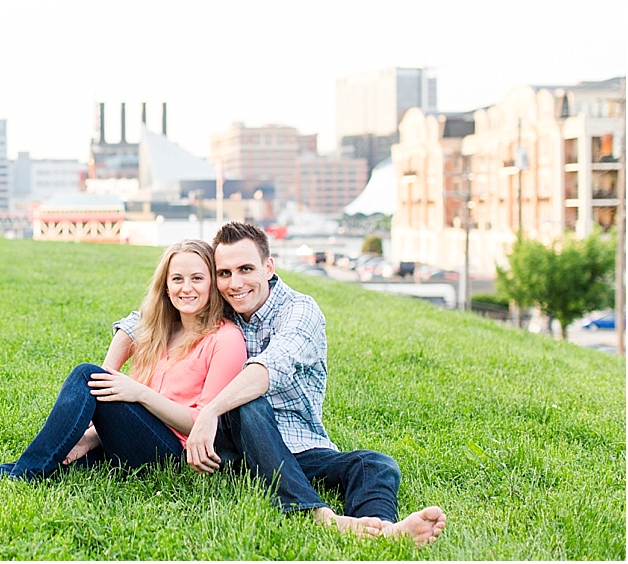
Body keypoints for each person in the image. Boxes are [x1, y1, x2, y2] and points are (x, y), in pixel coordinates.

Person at [105, 222, 447, 547]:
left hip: (298, 446)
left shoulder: (299, 311)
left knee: (375, 464)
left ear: (268, 267)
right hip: (233, 446)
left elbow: (269, 367)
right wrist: (104, 380)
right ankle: (319, 515)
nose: (235, 282)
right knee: (250, 403)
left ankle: (382, 528)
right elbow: (139, 322)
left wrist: (209, 410)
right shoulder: (225, 299)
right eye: (224, 273)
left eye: (246, 269)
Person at [0, 239, 247, 493]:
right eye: (177, 279)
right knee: (54, 459)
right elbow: (135, 406)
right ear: (164, 288)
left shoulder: (225, 339)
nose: (187, 288)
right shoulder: (160, 332)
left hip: (176, 456)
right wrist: (91, 437)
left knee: (88, 376)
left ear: (213, 284)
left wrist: (139, 392)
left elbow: (203, 423)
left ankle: (23, 477)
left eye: (197, 278)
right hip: (132, 444)